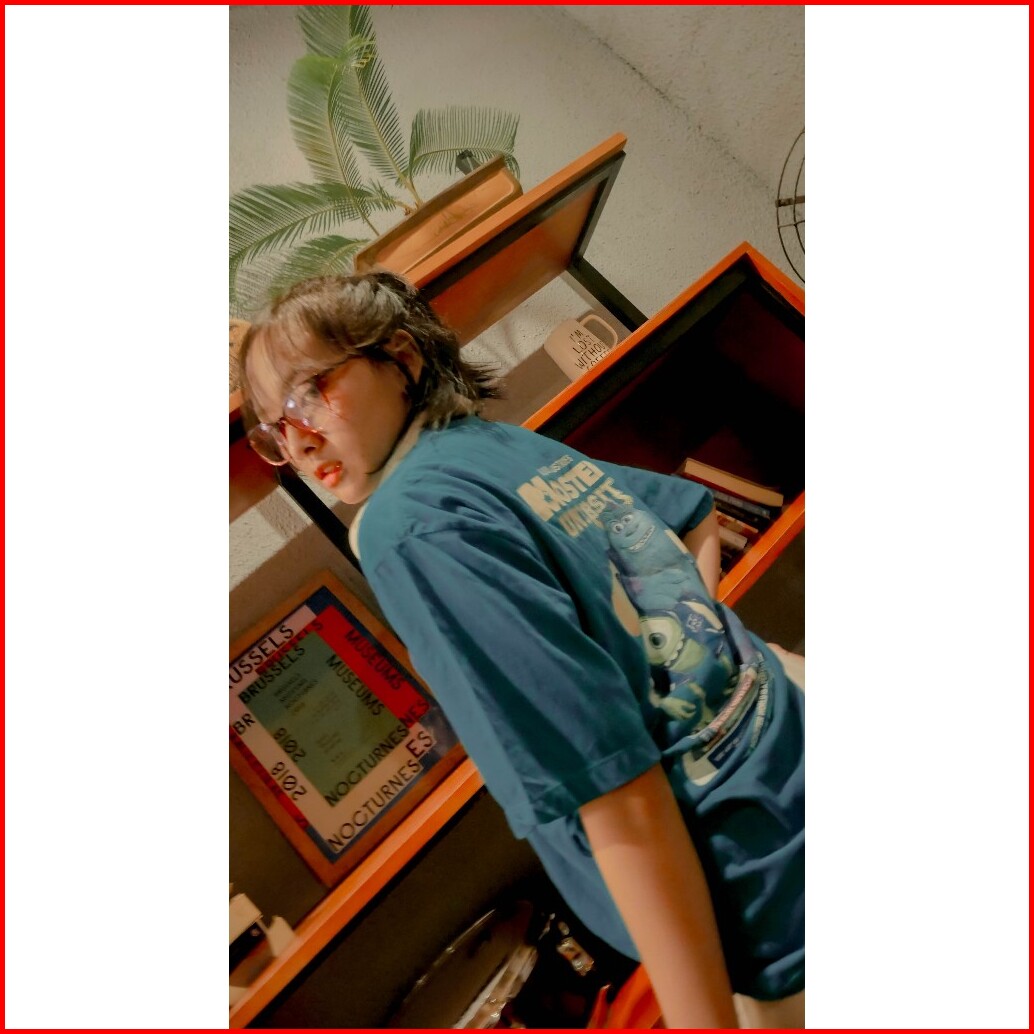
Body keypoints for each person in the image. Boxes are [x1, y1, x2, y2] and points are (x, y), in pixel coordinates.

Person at [239, 270, 805, 1029]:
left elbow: (617, 793)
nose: (298, 437)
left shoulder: (406, 526)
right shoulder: (494, 446)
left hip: (766, 890)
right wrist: (694, 658)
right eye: (272, 427)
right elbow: (692, 517)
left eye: (311, 390)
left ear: (401, 358)